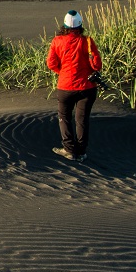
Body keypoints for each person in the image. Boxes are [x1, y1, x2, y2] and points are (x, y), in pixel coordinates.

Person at [45, 9, 102, 160]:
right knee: (82, 120)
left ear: (64, 25)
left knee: (64, 117)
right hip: (87, 87)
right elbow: (97, 65)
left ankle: (69, 150)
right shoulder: (87, 41)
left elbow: (50, 63)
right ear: (80, 25)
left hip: (65, 87)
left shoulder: (57, 41)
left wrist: (63, 73)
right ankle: (81, 152)